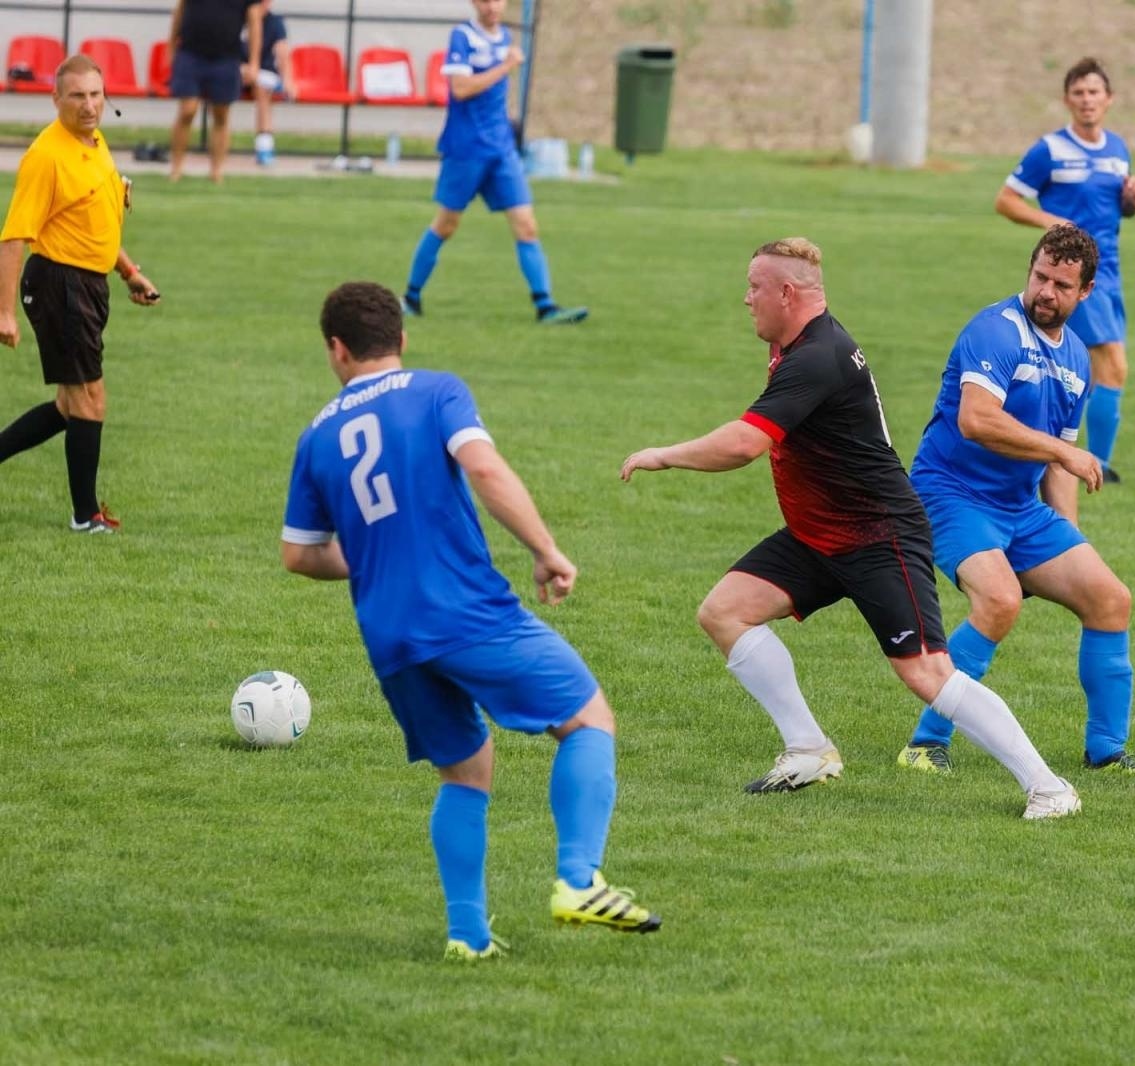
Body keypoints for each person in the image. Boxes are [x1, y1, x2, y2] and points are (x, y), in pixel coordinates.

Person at [620, 238, 1084, 820]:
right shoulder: (797, 346)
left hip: (878, 535)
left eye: (754, 288)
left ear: (787, 293)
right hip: (821, 533)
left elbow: (745, 443)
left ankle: (1048, 787)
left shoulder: (820, 356)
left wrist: (664, 454)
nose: (746, 299)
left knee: (927, 674)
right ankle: (809, 748)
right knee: (724, 612)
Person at [280, 282, 659, 958]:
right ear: (401, 339)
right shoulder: (434, 391)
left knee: (466, 771)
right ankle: (578, 880)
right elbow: (482, 466)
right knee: (588, 718)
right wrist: (545, 550)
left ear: (336, 350)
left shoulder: (317, 436)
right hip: (465, 610)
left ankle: (468, 936)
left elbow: (299, 555)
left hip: (390, 634)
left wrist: (375, 555)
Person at [895, 225, 1135, 778]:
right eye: (1040, 277)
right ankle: (925, 743)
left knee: (1109, 598)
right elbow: (976, 420)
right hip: (950, 494)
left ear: (1086, 291)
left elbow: (1060, 467)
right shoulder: (995, 332)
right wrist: (1062, 451)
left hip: (1020, 509)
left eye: (1061, 284)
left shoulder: (1077, 359)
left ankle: (1106, 751)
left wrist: (1070, 538)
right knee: (1001, 602)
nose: (1045, 292)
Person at [0, 55, 160, 534]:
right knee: (90, 398)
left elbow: (100, 219)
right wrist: (3, 312)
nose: (89, 105)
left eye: (96, 94)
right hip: (59, 285)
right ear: (56, 99)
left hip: (89, 284)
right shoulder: (46, 157)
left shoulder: (95, 141)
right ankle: (86, 515)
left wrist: (129, 272)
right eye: (77, 96)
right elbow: (13, 236)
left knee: (71, 406)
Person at [996, 56, 1135, 484]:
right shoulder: (1050, 149)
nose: (1087, 100)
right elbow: (1006, 200)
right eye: (1079, 93)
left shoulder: (1118, 150)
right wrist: (1049, 222)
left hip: (1109, 271)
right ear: (1067, 100)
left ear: (1109, 99)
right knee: (1112, 365)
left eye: (1094, 92)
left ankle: (1055, 454)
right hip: (1069, 272)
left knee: (1069, 365)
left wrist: (1133, 201)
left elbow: (1115, 210)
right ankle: (1093, 464)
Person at [402, 0, 586, 324]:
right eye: (485, 0)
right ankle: (411, 297)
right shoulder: (463, 37)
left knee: (527, 226)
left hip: (501, 149)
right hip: (466, 148)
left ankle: (545, 306)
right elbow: (460, 89)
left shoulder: (503, 38)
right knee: (446, 224)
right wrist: (504, 66)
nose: (492, 6)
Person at [168, 0, 265, 183]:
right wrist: (171, 46)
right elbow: (179, 11)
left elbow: (254, 22)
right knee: (187, 110)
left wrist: (254, 62)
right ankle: (176, 168)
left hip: (226, 58)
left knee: (221, 115)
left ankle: (217, 171)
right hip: (190, 53)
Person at [239, 0, 295, 167]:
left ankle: (264, 146)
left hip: (263, 74)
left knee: (262, 88)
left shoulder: (275, 22)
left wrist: (288, 80)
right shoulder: (237, 19)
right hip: (237, 72)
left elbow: (282, 52)